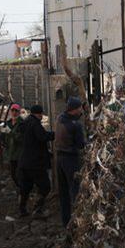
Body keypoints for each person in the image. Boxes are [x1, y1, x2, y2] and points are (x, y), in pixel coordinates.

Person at [53, 97, 88, 226]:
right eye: (80, 109)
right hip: (70, 160)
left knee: (63, 193)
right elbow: (81, 145)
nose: (81, 111)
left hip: (59, 159)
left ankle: (66, 222)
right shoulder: (76, 126)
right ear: (75, 109)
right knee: (76, 191)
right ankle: (79, 222)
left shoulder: (60, 118)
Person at [16, 104, 53, 216]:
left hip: (24, 161)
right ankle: (37, 210)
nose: (42, 116)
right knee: (45, 186)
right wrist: (54, 134)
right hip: (35, 163)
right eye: (41, 114)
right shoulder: (35, 123)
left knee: (25, 187)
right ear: (39, 114)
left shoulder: (25, 123)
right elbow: (42, 137)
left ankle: (22, 209)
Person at [1, 103, 24, 187]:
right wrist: (1, 144)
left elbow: (21, 138)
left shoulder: (22, 123)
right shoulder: (8, 123)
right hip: (10, 152)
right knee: (13, 174)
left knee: (20, 174)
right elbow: (3, 136)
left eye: (16, 111)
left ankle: (23, 191)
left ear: (19, 112)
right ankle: (19, 189)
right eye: (12, 110)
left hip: (19, 153)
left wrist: (10, 132)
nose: (14, 112)